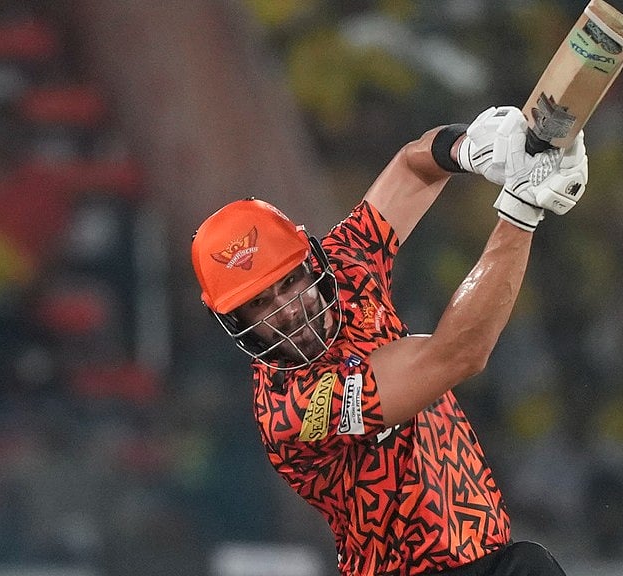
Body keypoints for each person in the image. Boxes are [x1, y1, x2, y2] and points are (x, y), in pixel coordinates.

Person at [190, 106, 588, 576]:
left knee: (530, 565)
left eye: (290, 282)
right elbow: (457, 355)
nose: (289, 309)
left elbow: (412, 167)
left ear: (310, 263)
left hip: (492, 559)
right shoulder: (291, 410)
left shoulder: (344, 267)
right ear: (235, 322)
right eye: (260, 304)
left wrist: (476, 150)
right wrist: (520, 210)